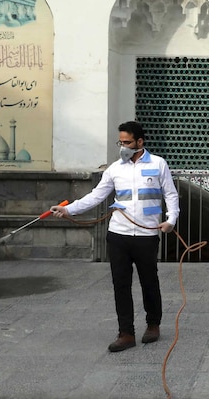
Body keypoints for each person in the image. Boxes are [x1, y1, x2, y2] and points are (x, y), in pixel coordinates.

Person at [51, 121, 179, 352]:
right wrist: (68, 209)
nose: (123, 146)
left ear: (140, 142)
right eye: (120, 142)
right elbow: (96, 196)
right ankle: (126, 333)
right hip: (118, 234)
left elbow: (171, 194)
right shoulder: (115, 169)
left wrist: (171, 220)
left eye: (127, 142)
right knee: (121, 285)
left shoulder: (159, 164)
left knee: (149, 281)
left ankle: (153, 324)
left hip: (147, 235)